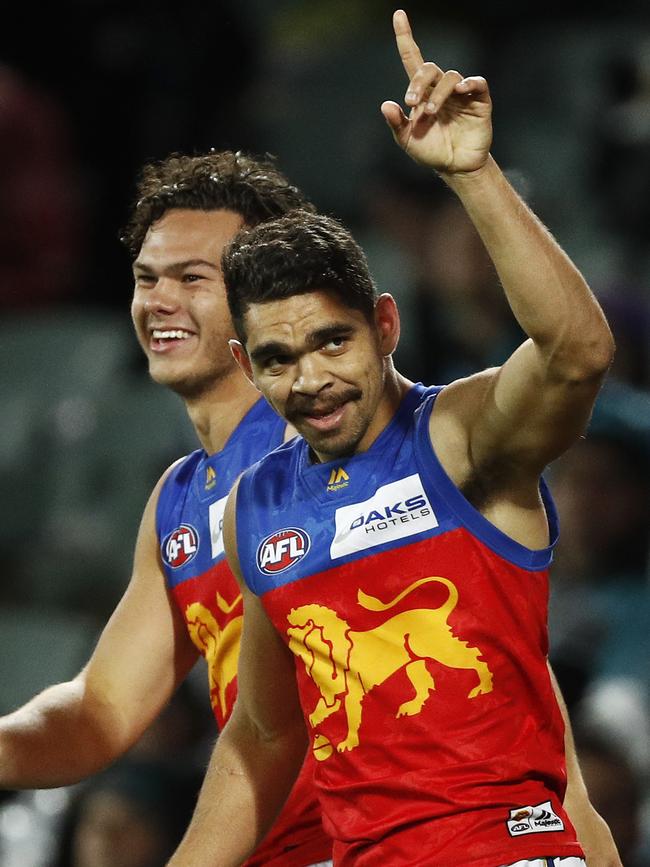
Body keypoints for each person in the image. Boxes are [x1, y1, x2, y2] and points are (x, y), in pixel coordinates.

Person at [167, 11, 622, 867]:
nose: (309, 380)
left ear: (384, 325)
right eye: (276, 358)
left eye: (331, 342)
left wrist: (474, 174)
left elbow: (576, 353)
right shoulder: (257, 504)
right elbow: (262, 736)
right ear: (244, 362)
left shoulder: (461, 437)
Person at [0, 150, 332, 867]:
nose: (158, 301)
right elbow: (101, 710)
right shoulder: (178, 498)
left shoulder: (330, 449)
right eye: (147, 278)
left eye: (192, 278)